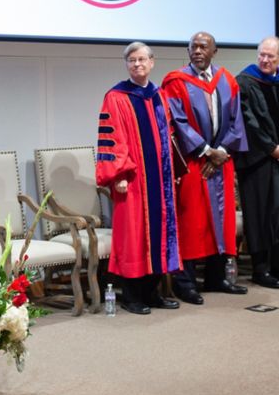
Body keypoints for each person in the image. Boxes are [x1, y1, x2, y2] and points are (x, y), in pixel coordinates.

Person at [161, 31, 249, 305]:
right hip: (194, 162)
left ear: (214, 51)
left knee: (221, 223)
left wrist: (221, 152)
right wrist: (205, 151)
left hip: (221, 161)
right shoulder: (175, 81)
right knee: (192, 222)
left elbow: (236, 121)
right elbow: (177, 121)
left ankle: (216, 277)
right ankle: (185, 282)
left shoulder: (227, 80)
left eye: (203, 47)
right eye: (193, 47)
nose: (198, 51)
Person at [96, 41, 181, 315]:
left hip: (160, 180)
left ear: (152, 62)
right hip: (133, 181)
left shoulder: (159, 95)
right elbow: (113, 139)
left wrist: (173, 172)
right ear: (127, 65)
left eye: (142, 59)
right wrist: (118, 174)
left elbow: (168, 137)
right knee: (133, 236)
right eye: (132, 60)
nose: (137, 64)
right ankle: (131, 296)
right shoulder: (116, 97)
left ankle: (152, 292)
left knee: (159, 235)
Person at [234, 36, 279, 289]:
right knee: (261, 214)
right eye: (261, 55)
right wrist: (271, 148)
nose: (264, 60)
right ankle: (261, 269)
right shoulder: (244, 82)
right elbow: (247, 121)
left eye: (270, 56)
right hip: (259, 163)